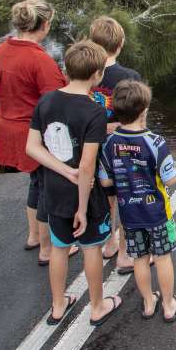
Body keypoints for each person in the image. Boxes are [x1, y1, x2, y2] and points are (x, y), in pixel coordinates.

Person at [26, 41, 123, 326]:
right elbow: (86, 165)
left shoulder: (46, 100)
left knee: (59, 247)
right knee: (91, 248)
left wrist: (61, 170)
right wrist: (81, 206)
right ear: (97, 74)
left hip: (53, 190)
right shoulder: (93, 111)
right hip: (84, 194)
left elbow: (32, 147)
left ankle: (58, 305)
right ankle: (97, 306)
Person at [0, 0, 77, 265]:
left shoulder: (1, 52)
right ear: (45, 24)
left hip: (9, 126)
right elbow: (55, 103)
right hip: (35, 133)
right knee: (47, 188)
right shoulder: (38, 60)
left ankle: (33, 236)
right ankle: (47, 248)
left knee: (36, 183)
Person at [98, 80, 176, 322]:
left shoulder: (110, 143)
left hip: (129, 215)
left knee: (140, 258)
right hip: (157, 212)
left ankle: (148, 302)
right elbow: (171, 179)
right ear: (144, 110)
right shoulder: (156, 142)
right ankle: (168, 304)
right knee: (163, 257)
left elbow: (105, 182)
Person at [88, 16, 142, 273]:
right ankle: (124, 252)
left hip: (95, 149)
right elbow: (139, 116)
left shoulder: (85, 74)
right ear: (120, 44)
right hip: (122, 149)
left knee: (106, 195)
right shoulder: (129, 76)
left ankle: (109, 241)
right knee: (127, 196)